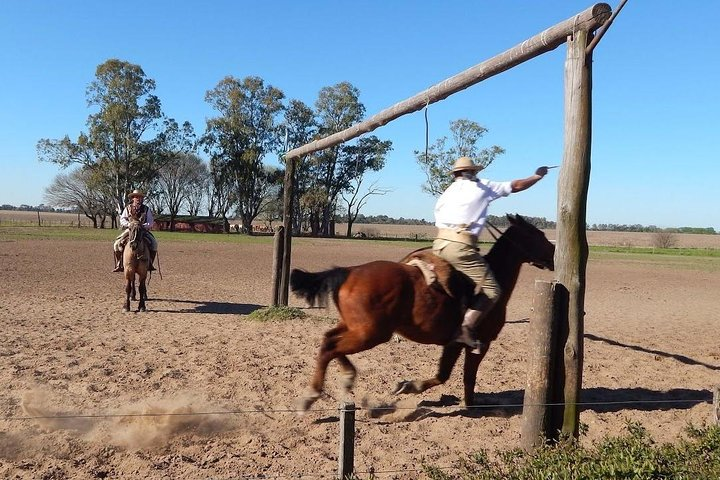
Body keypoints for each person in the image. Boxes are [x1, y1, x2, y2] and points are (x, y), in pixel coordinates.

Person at [433, 156, 549, 354]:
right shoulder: (481, 186)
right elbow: (518, 185)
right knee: (493, 290)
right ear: (473, 172)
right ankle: (466, 328)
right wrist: (537, 176)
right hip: (460, 248)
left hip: (438, 246)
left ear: (455, 174)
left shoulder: (447, 193)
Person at [112, 189, 158, 272]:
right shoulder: (127, 208)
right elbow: (122, 219)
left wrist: (142, 226)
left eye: (140, 197)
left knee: (154, 244)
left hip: (143, 230)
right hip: (130, 230)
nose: (138, 199)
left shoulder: (146, 209)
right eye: (136, 197)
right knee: (116, 244)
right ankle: (120, 264)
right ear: (133, 198)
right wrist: (129, 224)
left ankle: (150, 263)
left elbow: (150, 222)